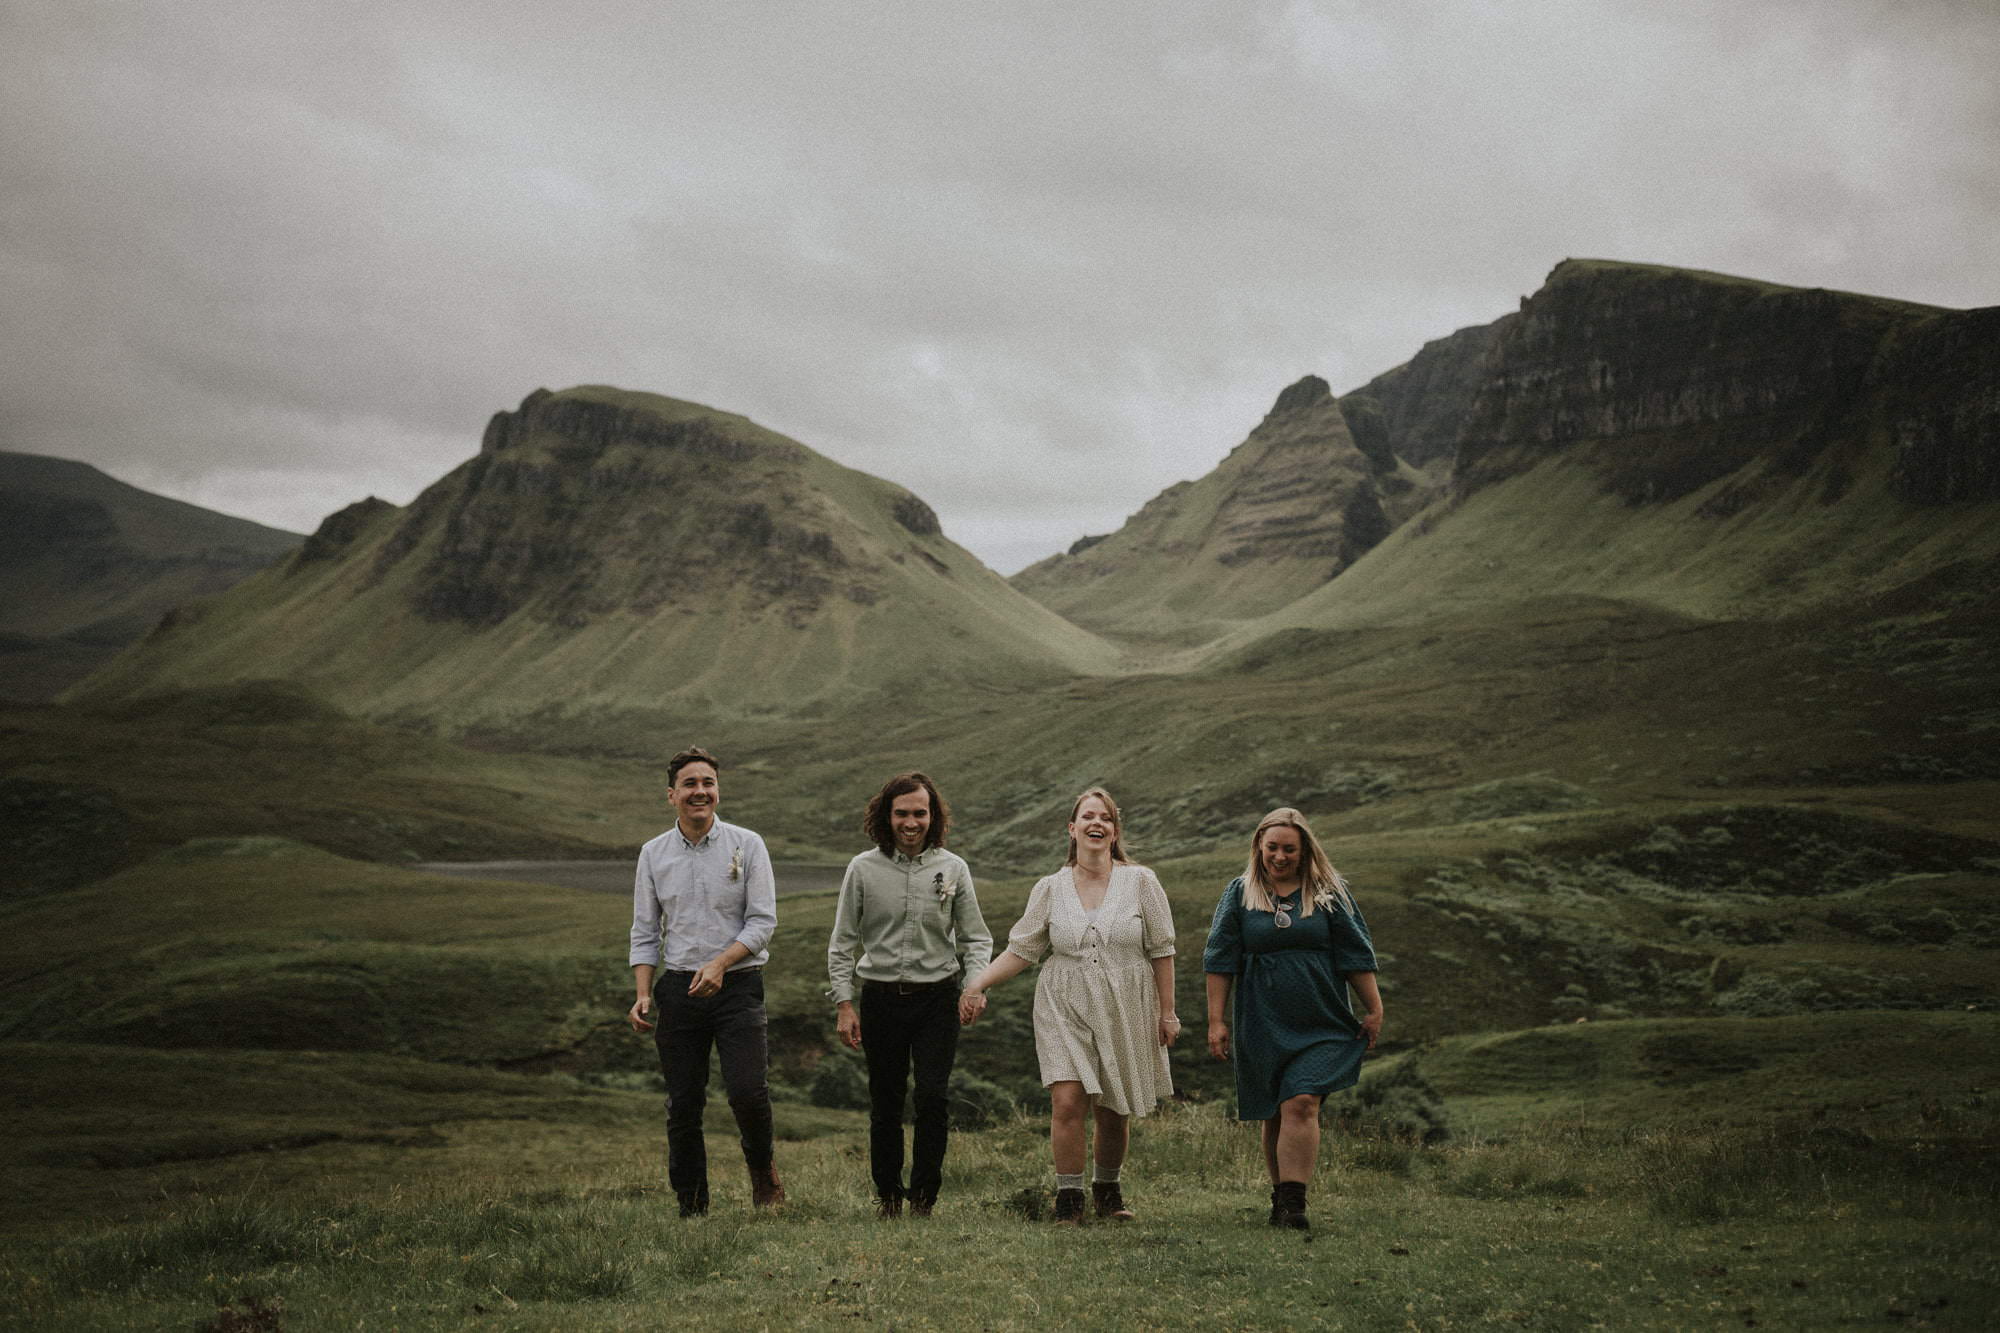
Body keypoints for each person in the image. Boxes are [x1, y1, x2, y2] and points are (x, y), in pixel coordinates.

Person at [959, 786, 1179, 1223]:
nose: (1097, 824)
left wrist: (1167, 1012)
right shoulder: (1050, 888)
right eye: (1089, 817)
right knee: (1067, 1100)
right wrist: (977, 984)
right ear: (1072, 827)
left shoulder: (1141, 882)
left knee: (1113, 1108)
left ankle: (1108, 1191)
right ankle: (1068, 1200)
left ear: (1115, 831)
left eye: (1106, 818)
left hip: (1126, 1003)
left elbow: (1162, 949)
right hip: (1064, 1003)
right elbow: (1021, 949)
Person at [1203, 806, 1381, 1231]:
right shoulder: (1240, 892)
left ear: (1304, 851)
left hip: (1321, 1016)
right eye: (1272, 848)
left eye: (1289, 849)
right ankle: (1281, 1198)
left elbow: (1354, 953)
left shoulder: (1329, 892)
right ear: (1258, 847)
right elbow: (1219, 958)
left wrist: (1374, 1008)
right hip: (1261, 1019)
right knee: (1276, 1111)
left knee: (1302, 1100)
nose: (1279, 857)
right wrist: (1216, 1021)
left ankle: (1293, 1203)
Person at [826, 772, 993, 1219]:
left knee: (933, 1097)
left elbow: (976, 939)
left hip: (937, 998)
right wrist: (844, 1003)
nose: (911, 822)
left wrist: (974, 986)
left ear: (932, 816)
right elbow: (842, 940)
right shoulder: (862, 869)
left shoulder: (953, 868)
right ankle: (888, 1197)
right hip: (879, 999)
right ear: (887, 816)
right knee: (885, 1101)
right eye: (902, 813)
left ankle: (924, 1198)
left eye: (920, 813)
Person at [627, 746, 784, 1217]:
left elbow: (762, 923)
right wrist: (641, 993)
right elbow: (644, 930)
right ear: (671, 795)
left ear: (718, 790)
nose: (701, 792)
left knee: (747, 1092)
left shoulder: (748, 844)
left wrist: (719, 964)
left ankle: (764, 1176)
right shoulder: (653, 854)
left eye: (708, 784)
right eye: (691, 785)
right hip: (678, 990)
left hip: (738, 984)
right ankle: (692, 1205)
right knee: (684, 1102)